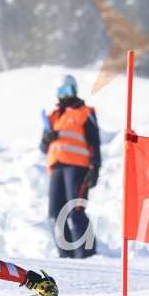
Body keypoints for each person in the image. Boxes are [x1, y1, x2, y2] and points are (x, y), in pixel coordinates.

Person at [40, 74, 101, 258]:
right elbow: (43, 147)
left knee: (75, 211)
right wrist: (46, 138)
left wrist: (95, 166)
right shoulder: (52, 117)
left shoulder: (84, 112)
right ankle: (66, 257)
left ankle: (87, 255)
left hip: (78, 167)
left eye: (69, 90)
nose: (66, 95)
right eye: (61, 91)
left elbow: (94, 141)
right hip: (57, 168)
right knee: (55, 214)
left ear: (75, 90)